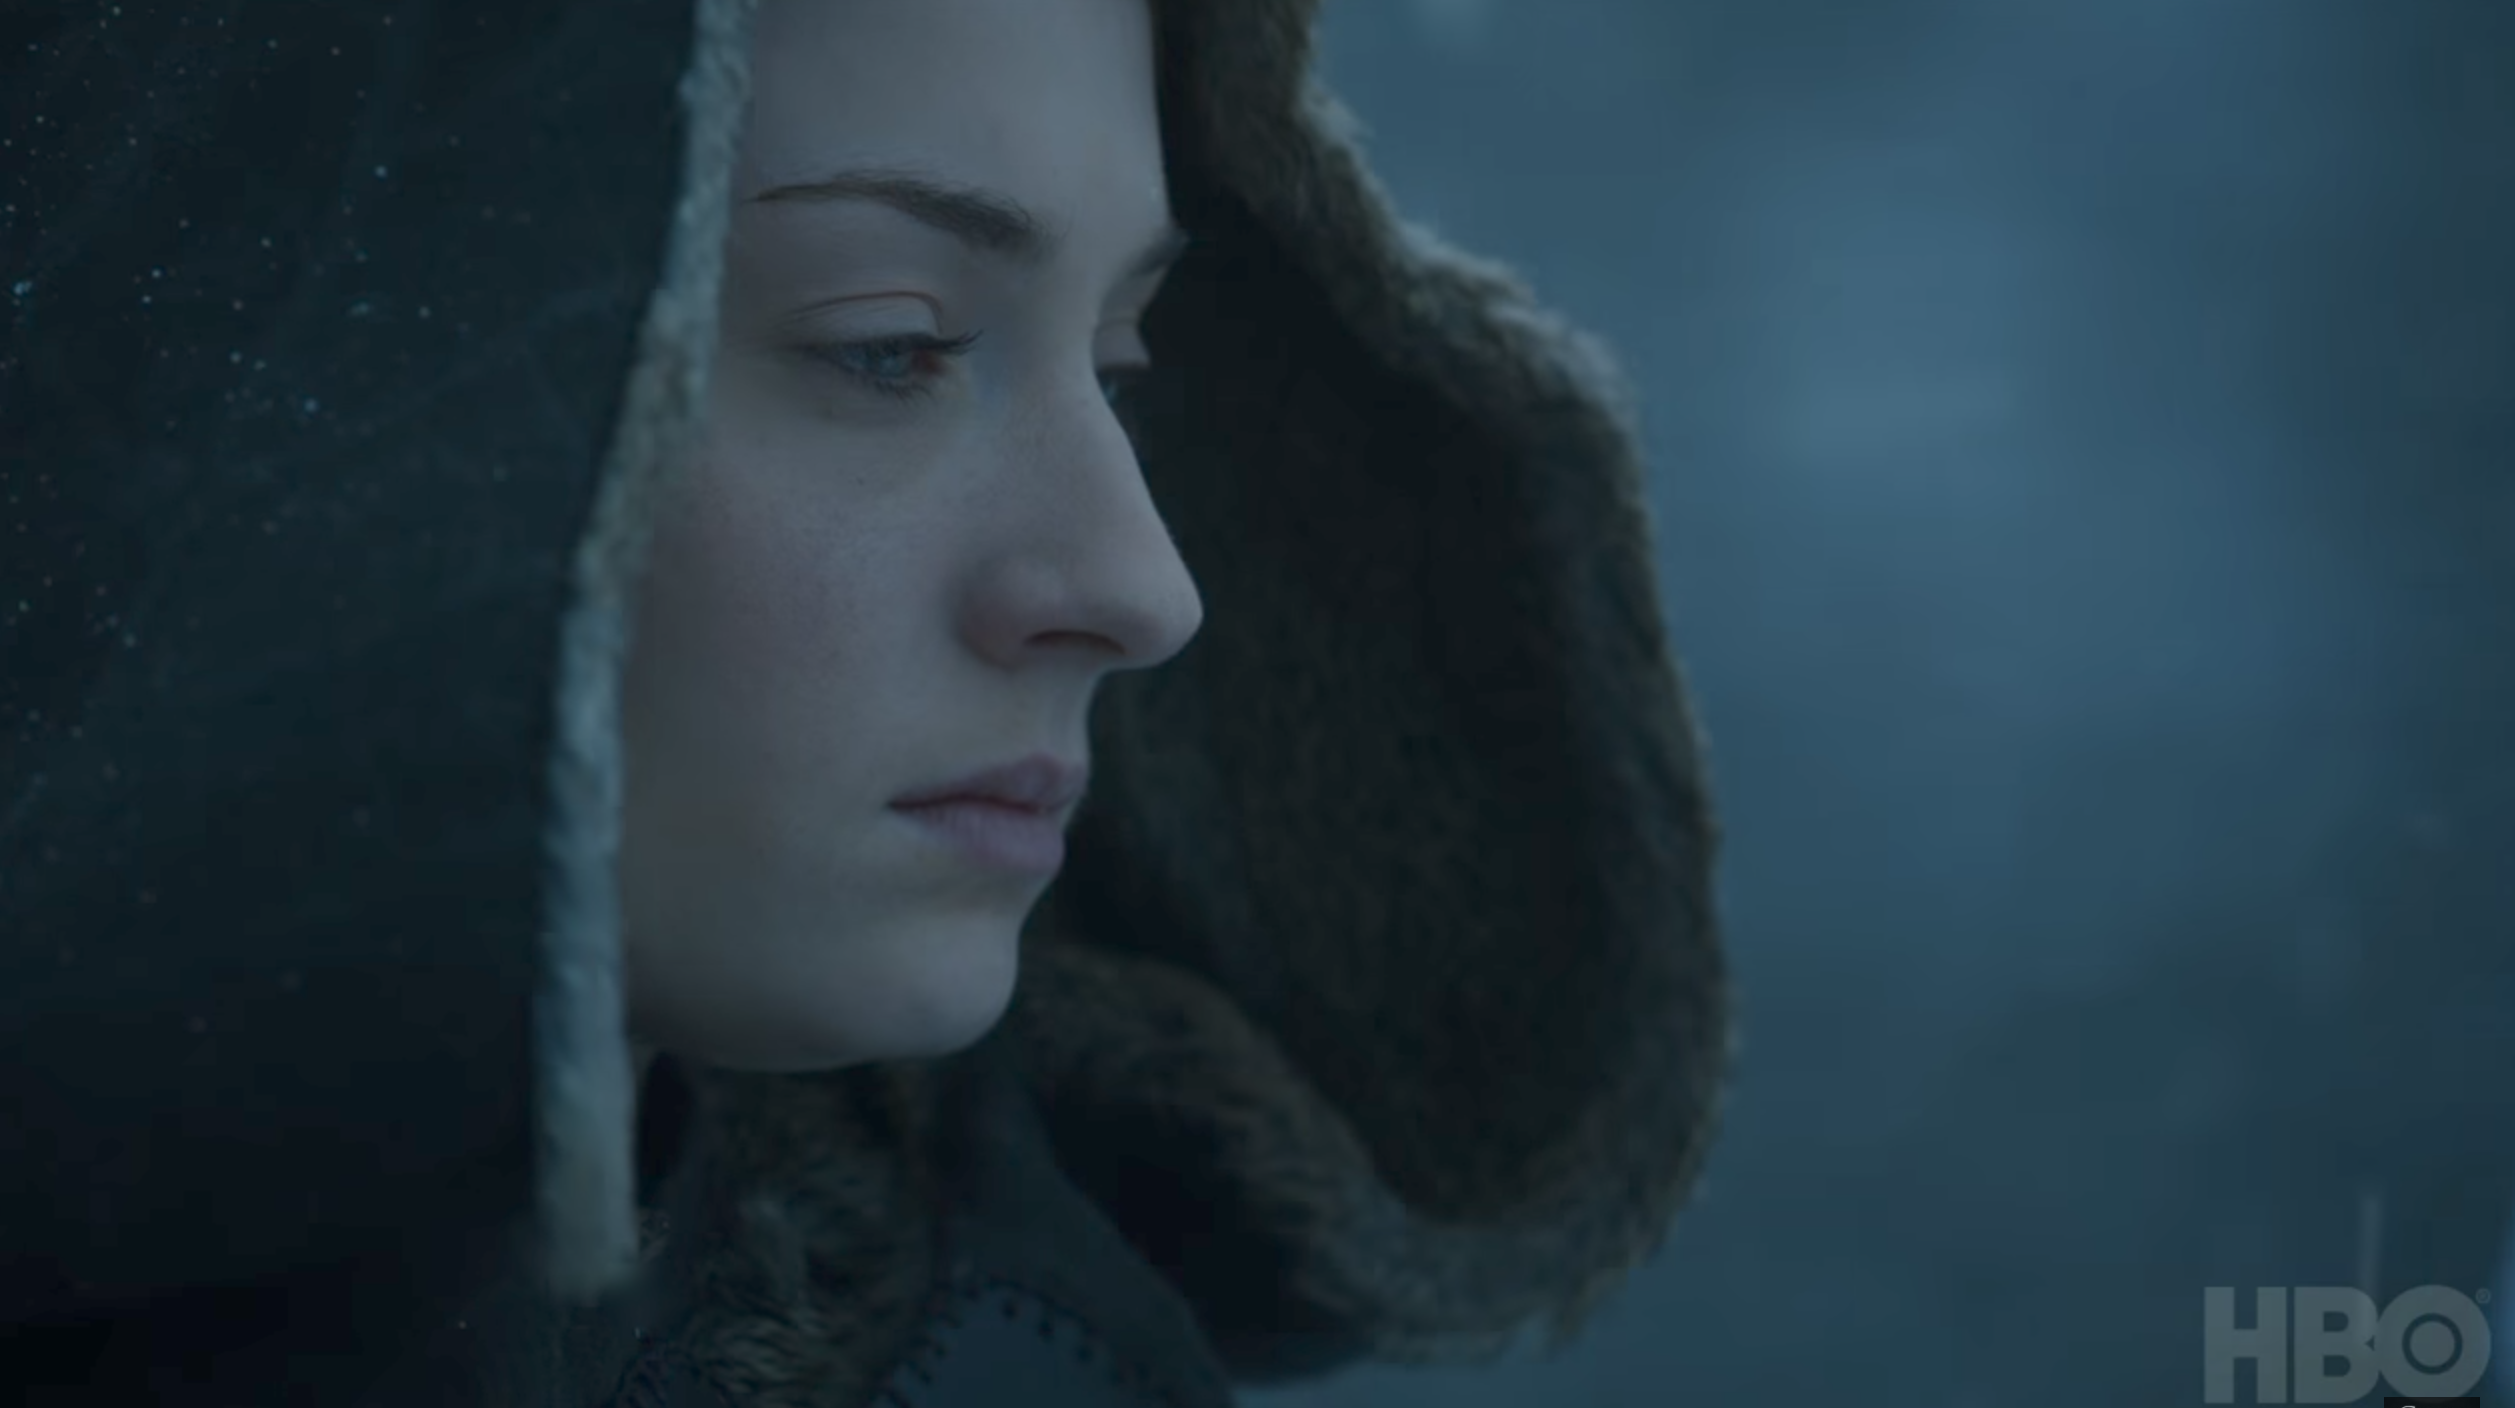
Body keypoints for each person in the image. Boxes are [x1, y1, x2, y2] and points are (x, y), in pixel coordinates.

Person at [0, 0, 1728, 1402]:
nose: (1143, 587)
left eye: (1121, 362)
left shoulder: (1030, 1358)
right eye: (889, 343)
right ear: (267, 389)